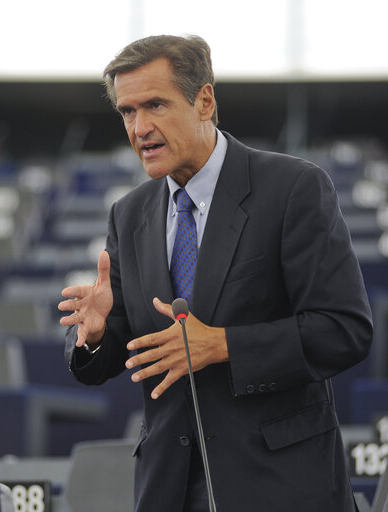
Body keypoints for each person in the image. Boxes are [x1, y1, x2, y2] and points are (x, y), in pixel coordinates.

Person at [58, 35, 372, 512]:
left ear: (204, 100)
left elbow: (344, 330)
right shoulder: (129, 213)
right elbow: (126, 351)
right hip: (170, 490)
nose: (140, 127)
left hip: (282, 486)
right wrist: (98, 334)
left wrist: (222, 345)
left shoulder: (293, 188)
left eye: (155, 105)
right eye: (127, 112)